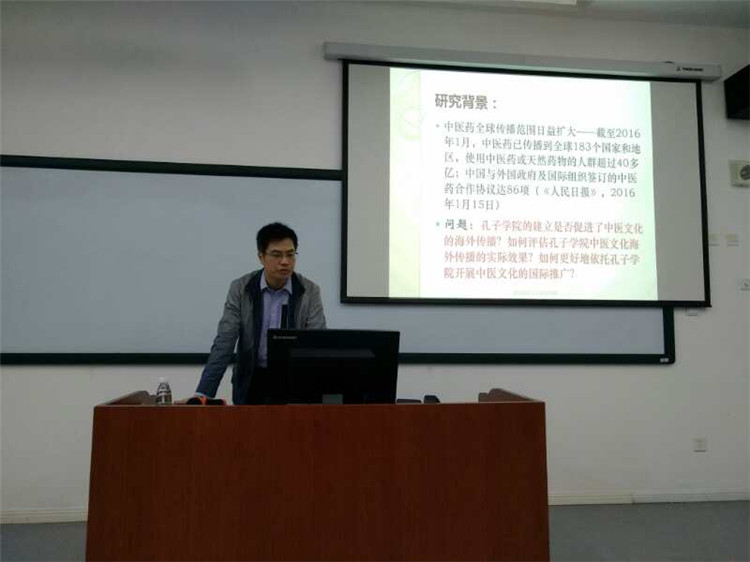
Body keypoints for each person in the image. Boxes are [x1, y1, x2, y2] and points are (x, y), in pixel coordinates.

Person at [194, 222, 326, 404]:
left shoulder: (309, 291)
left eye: (290, 254)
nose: (285, 261)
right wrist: (204, 393)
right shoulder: (241, 289)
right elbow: (225, 341)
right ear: (261, 257)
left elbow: (317, 344)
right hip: (251, 381)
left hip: (294, 382)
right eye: (276, 255)